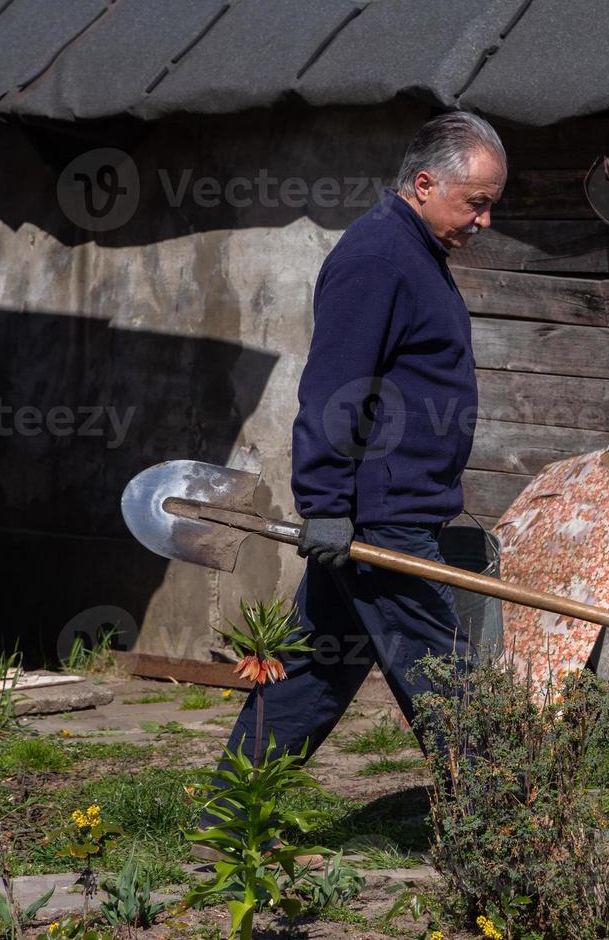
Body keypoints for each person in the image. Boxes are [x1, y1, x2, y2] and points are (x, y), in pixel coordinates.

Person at [204, 112, 506, 841]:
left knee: (313, 672)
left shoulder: (414, 251)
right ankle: (506, 832)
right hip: (382, 517)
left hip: (389, 508)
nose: (486, 220)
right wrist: (327, 504)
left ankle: (231, 814)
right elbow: (337, 387)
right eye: (477, 202)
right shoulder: (378, 257)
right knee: (446, 679)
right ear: (426, 183)